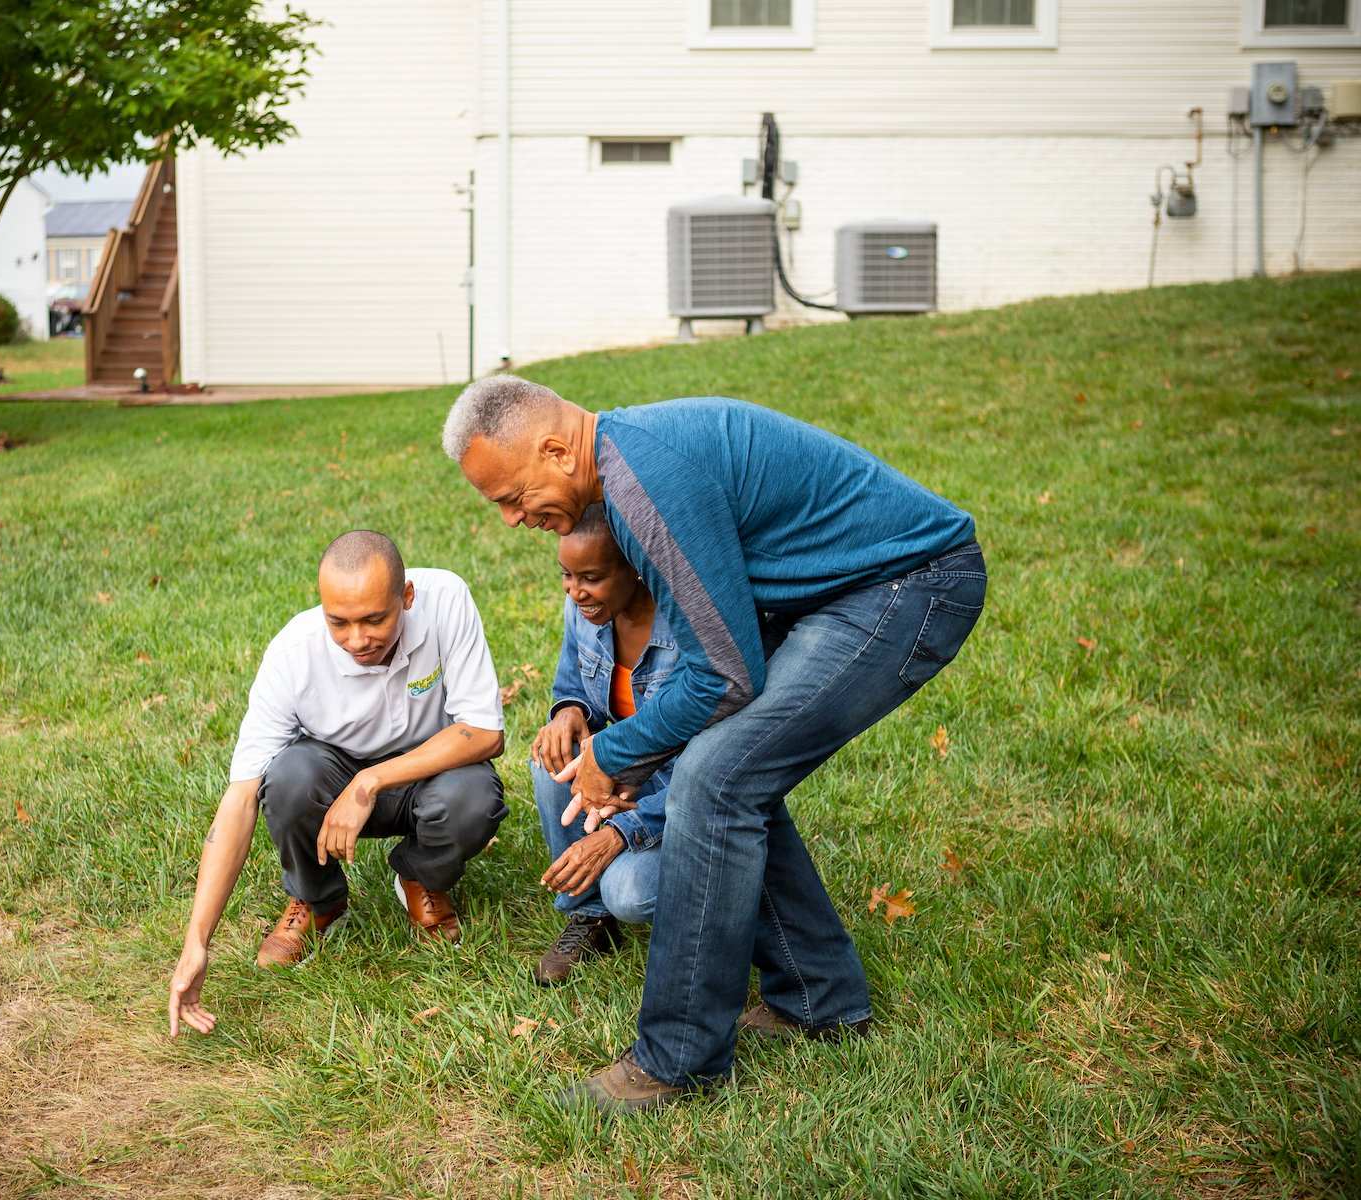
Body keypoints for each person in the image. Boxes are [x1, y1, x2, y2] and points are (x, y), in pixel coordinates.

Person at [442, 378, 985, 1113]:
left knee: (717, 780)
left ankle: (678, 1059)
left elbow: (724, 677)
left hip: (907, 586)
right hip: (845, 593)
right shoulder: (625, 466)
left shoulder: (646, 484)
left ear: (555, 449)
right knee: (735, 774)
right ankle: (817, 998)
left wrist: (615, 752)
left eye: (510, 496)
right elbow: (721, 666)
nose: (510, 519)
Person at [168, 530, 508, 1037]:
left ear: (407, 598)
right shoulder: (293, 655)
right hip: (331, 780)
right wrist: (197, 940)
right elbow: (239, 801)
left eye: (375, 619)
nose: (357, 639)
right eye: (339, 622)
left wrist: (370, 782)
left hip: (427, 774)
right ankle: (319, 900)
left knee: (474, 797)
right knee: (286, 778)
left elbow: (485, 733)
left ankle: (419, 876)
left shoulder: (447, 600)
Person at [530, 503, 677, 986]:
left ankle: (722, 894)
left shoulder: (683, 630)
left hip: (681, 790)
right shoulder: (586, 610)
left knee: (629, 893)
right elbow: (571, 685)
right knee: (551, 759)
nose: (575, 592)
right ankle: (588, 915)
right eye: (566, 576)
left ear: (636, 566)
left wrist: (624, 829)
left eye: (589, 577)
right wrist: (568, 713)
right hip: (620, 770)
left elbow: (708, 772)